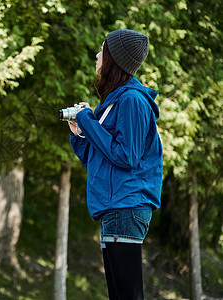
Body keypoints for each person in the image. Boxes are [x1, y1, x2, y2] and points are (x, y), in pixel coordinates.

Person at [68, 29, 163, 300]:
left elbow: (126, 156)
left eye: (102, 49)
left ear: (114, 59)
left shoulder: (132, 100)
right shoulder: (115, 101)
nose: (98, 54)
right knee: (119, 295)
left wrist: (88, 119)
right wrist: (80, 131)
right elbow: (96, 157)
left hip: (126, 207)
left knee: (127, 295)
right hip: (115, 208)